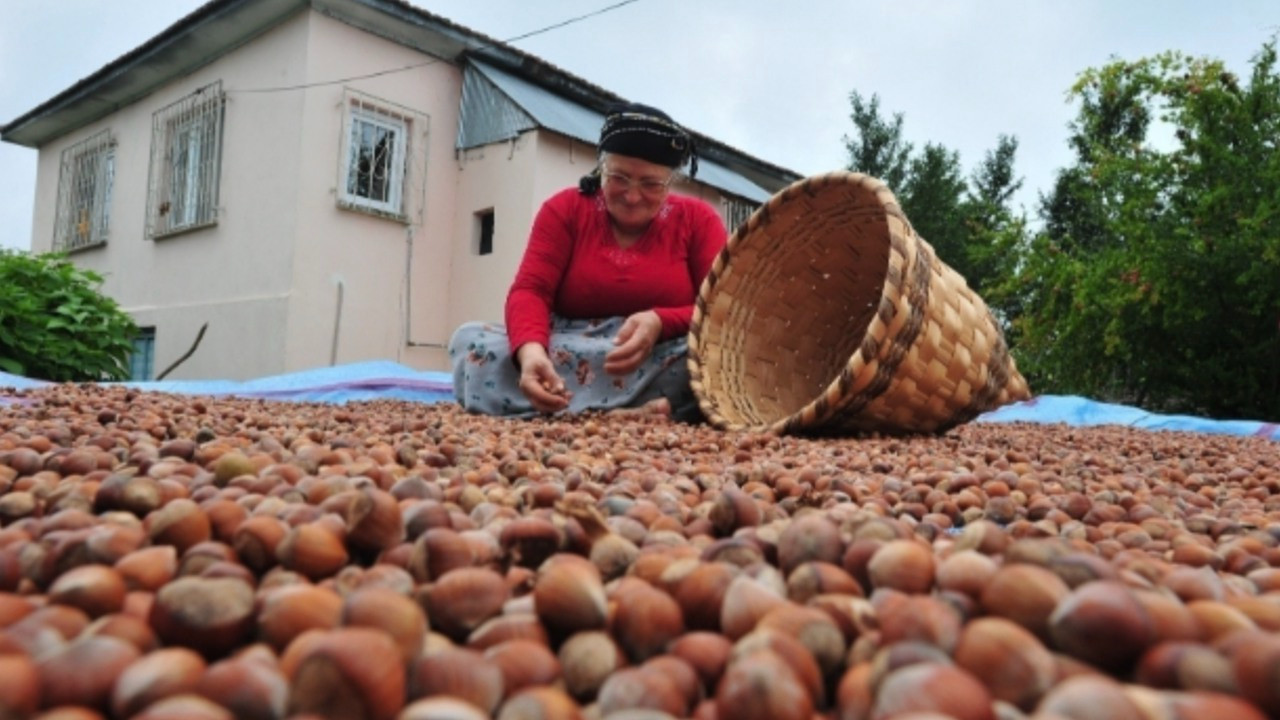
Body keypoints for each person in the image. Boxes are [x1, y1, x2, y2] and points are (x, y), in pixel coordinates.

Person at [449, 102, 728, 421]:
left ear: (670, 182)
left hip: (657, 352)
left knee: (711, 360)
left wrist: (661, 322)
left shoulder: (698, 220)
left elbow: (720, 309)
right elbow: (530, 291)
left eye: (651, 184)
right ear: (601, 169)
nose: (632, 196)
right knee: (472, 342)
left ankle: (567, 411)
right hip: (567, 344)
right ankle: (635, 411)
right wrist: (531, 353)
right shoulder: (564, 210)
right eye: (619, 177)